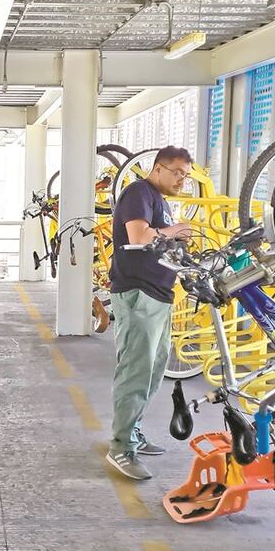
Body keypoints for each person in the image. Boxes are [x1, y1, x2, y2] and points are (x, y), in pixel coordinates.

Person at [105, 146, 193, 480]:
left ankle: (133, 432)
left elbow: (159, 242)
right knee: (135, 372)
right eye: (178, 174)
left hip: (158, 295)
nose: (182, 181)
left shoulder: (161, 202)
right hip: (138, 293)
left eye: (186, 176)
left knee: (154, 372)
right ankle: (121, 447)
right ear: (158, 169)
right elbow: (138, 235)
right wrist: (176, 230)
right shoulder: (138, 192)